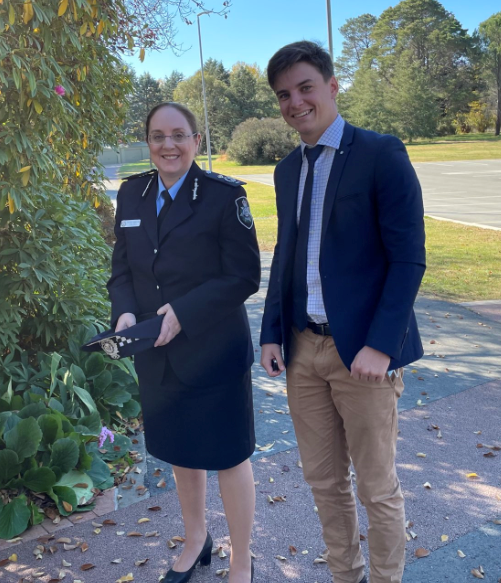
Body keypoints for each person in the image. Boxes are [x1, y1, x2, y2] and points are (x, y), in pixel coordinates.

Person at [260, 41, 426, 583]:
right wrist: (271, 333)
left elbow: (407, 258)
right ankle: (344, 576)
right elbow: (287, 254)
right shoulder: (288, 170)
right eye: (285, 94)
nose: (295, 102)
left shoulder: (381, 153)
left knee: (377, 488)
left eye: (305, 87)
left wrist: (382, 345)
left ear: (332, 87)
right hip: (304, 350)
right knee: (324, 483)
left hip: (364, 352)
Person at [108, 102, 259, 583]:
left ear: (197, 141)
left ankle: (241, 558)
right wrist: (126, 312)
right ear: (147, 142)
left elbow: (244, 276)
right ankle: (196, 540)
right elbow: (121, 271)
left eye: (178, 135)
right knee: (180, 451)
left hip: (213, 352)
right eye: (158, 136)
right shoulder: (132, 194)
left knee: (229, 457)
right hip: (155, 354)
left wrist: (184, 312)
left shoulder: (222, 195)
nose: (168, 145)